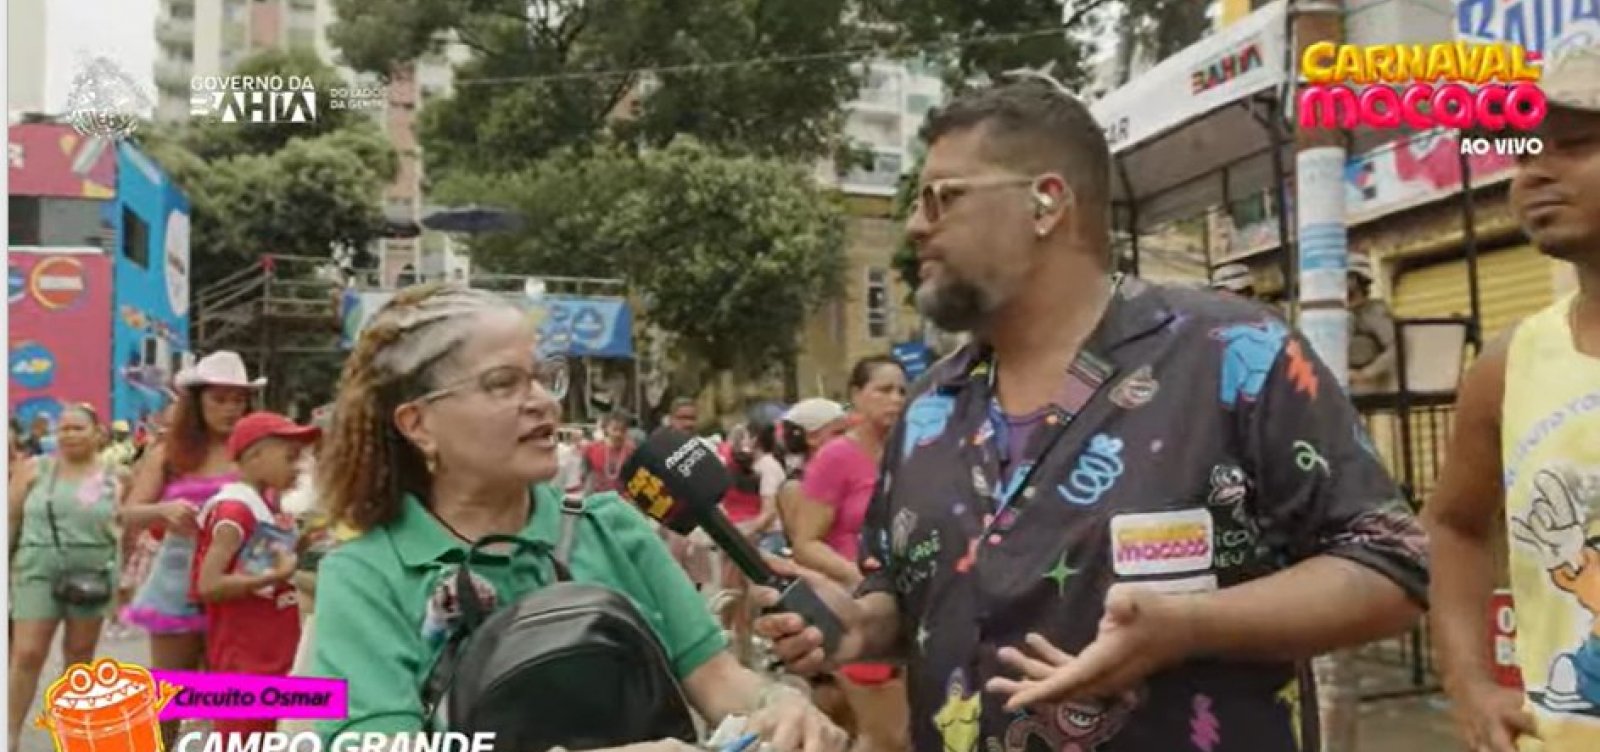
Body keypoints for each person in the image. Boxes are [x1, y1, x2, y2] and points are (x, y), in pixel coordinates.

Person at [755, 76, 1428, 752]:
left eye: (943, 198)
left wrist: (1193, 624)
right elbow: (905, 598)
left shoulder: (1231, 354)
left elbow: (1391, 565)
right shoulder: (929, 406)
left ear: (1046, 202)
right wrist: (859, 623)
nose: (916, 225)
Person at [306, 284, 845, 751]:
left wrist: (778, 704)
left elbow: (713, 674)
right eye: (503, 383)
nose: (541, 401)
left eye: (542, 377)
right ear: (418, 423)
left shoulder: (613, 528)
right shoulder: (365, 575)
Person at [1425, 45, 1600, 752]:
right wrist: (1469, 683)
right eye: (1523, 150)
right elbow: (1451, 527)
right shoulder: (1508, 364)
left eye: (1575, 143)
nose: (1533, 170)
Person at [120, 351, 259, 749]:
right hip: (176, 582)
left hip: (239, 582)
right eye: (220, 398)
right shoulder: (169, 452)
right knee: (170, 699)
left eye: (239, 399)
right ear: (196, 401)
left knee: (234, 701)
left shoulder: (256, 449)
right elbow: (126, 513)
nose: (231, 408)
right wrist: (162, 511)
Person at [788, 357, 909, 752]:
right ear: (856, 396)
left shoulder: (913, 453)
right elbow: (805, 541)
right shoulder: (835, 457)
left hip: (911, 612)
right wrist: (860, 582)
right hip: (857, 611)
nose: (896, 400)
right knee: (886, 736)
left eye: (902, 391)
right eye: (884, 390)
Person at [193, 412, 317, 737]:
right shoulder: (235, 510)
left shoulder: (264, 505)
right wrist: (273, 576)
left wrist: (301, 544)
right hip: (244, 660)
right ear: (254, 455)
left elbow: (260, 560)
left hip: (270, 651)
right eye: (290, 457)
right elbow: (209, 584)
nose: (297, 467)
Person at [8, 404, 120, 752]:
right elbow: (10, 518)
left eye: (78, 428)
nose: (69, 435)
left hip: (93, 570)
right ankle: (9, 732)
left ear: (97, 434)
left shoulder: (117, 476)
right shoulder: (34, 469)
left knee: (79, 654)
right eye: (64, 429)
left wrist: (125, 579)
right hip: (38, 566)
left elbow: (124, 527)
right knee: (27, 653)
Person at [1348, 253, 1398, 395]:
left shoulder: (1374, 312)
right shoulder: (1339, 315)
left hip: (1367, 387)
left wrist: (1367, 373)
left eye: (1348, 277)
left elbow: (1396, 346)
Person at [583, 412, 635, 495]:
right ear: (606, 428)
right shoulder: (592, 449)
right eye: (615, 429)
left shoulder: (632, 452)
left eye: (623, 430)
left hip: (623, 501)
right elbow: (585, 476)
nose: (618, 434)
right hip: (598, 499)